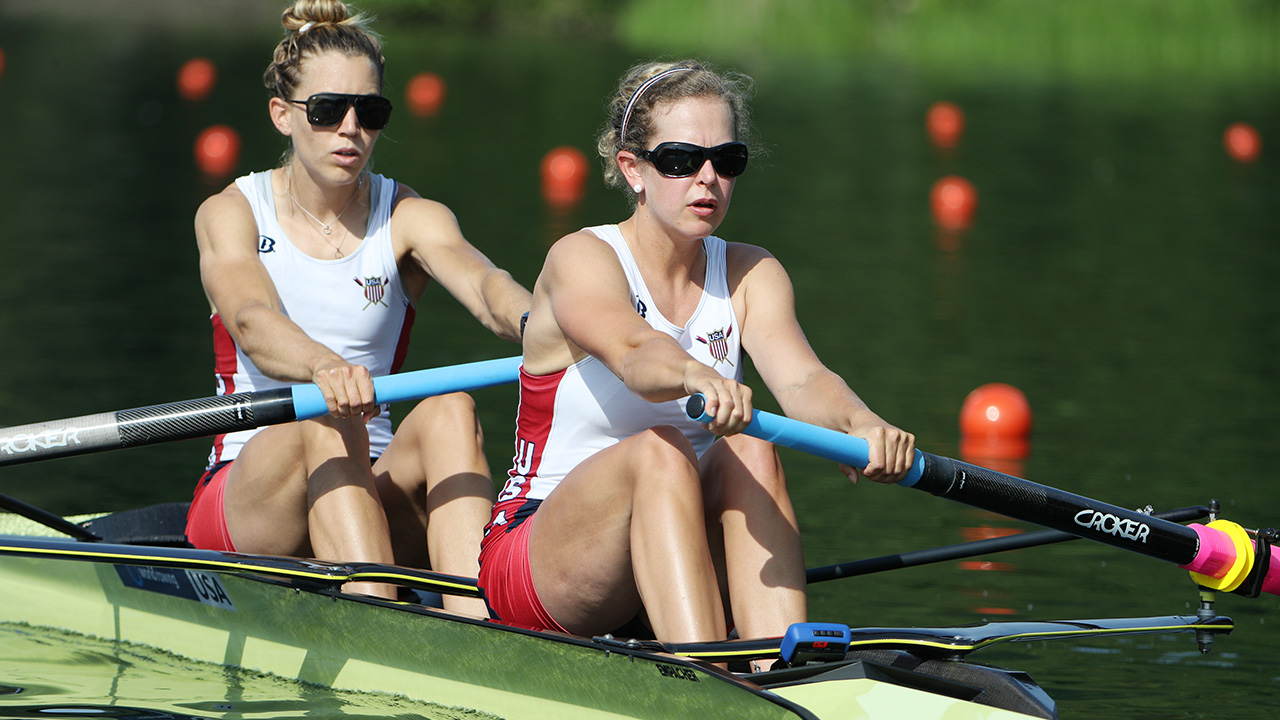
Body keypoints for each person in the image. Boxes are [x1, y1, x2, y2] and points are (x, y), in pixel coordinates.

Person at [477, 60, 916, 652]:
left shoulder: (751, 272)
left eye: (726, 160)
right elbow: (634, 352)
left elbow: (804, 380)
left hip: (674, 552)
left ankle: (780, 666)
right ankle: (709, 674)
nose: (707, 178)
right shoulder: (580, 258)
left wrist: (862, 424)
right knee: (660, 450)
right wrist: (693, 372)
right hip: (538, 558)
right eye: (681, 160)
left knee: (752, 446)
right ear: (632, 169)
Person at [185, 0, 530, 612]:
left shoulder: (410, 216)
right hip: (250, 497)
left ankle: (481, 625)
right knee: (326, 414)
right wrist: (324, 367)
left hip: (370, 478)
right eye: (327, 111)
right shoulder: (231, 212)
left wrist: (546, 326)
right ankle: (379, 615)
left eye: (369, 112)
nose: (350, 129)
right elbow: (251, 321)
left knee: (451, 408)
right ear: (282, 115)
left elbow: (487, 287)